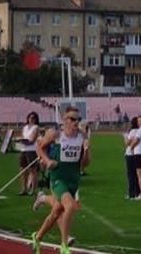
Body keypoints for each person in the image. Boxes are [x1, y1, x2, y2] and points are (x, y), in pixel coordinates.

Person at [31, 106, 90, 254]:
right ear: (64, 120)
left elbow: (85, 164)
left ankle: (37, 237)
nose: (76, 122)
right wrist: (47, 161)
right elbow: (39, 147)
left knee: (56, 212)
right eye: (72, 119)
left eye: (78, 119)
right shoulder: (55, 135)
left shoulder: (82, 136)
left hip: (73, 179)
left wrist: (87, 150)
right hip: (58, 178)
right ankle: (64, 245)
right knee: (70, 206)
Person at [19, 112, 41, 196]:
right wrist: (21, 140)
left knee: (32, 170)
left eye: (33, 118)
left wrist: (25, 141)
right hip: (23, 150)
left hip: (31, 150)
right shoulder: (25, 127)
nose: (31, 119)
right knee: (23, 170)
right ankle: (24, 188)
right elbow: (22, 137)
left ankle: (33, 189)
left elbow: (32, 140)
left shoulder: (36, 127)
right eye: (30, 117)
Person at [124, 117, 141, 199]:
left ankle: (131, 193)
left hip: (130, 154)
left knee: (131, 175)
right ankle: (138, 192)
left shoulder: (133, 131)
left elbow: (127, 143)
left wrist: (125, 136)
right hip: (138, 153)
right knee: (137, 175)